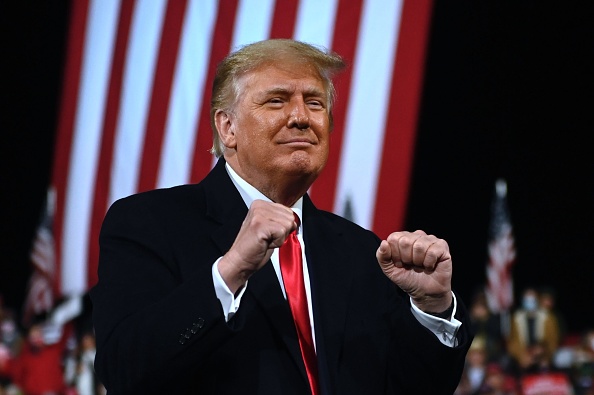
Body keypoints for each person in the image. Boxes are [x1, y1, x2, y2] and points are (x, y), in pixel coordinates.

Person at [90, 38, 472, 394]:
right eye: (276, 101)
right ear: (227, 127)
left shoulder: (361, 252)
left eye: (315, 103)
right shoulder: (148, 223)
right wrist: (230, 272)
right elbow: (124, 370)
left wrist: (432, 309)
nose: (301, 117)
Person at [507, 287, 560, 375]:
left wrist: (544, 352)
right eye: (527, 299)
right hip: (523, 354)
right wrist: (521, 355)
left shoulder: (548, 317)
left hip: (542, 352)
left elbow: (553, 340)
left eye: (533, 299)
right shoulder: (516, 318)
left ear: (538, 300)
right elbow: (512, 341)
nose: (530, 301)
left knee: (545, 364)